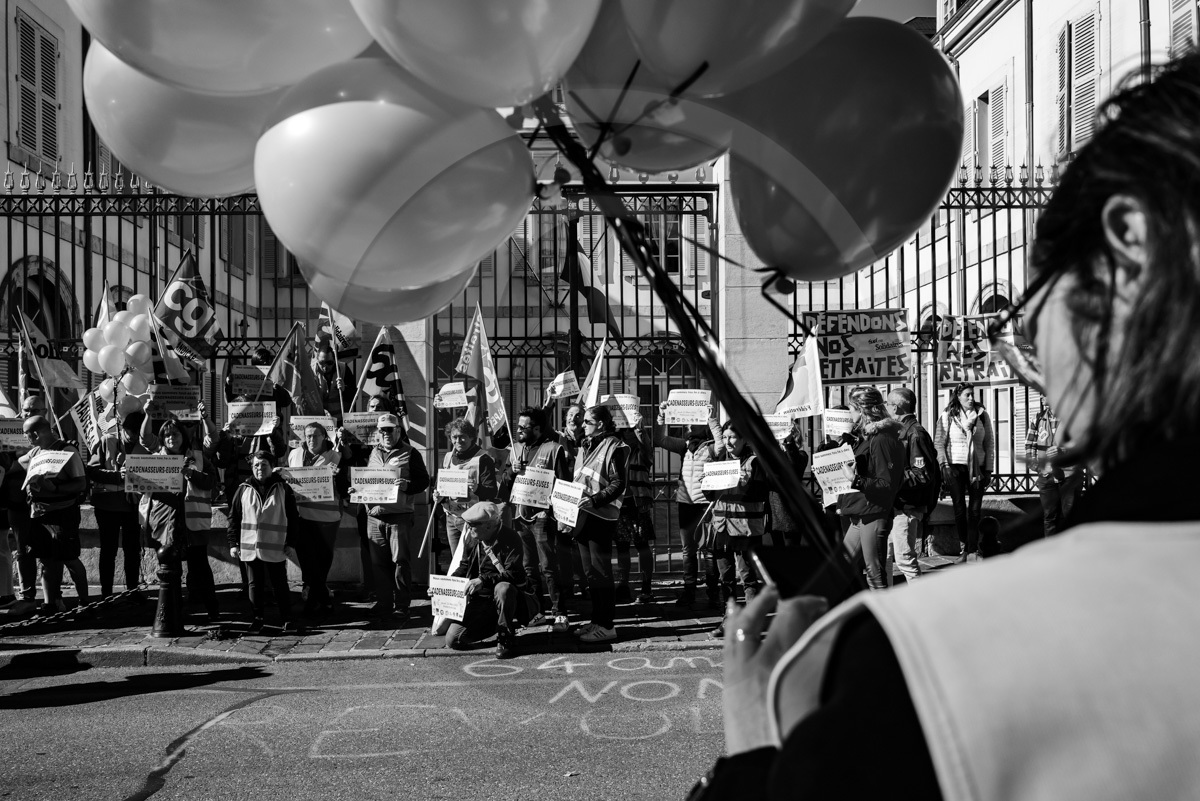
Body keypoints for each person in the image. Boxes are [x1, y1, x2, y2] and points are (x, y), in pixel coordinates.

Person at [696, 56, 1200, 801]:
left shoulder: (937, 661)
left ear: (1128, 240)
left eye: (1036, 301)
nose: (1031, 351)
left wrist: (760, 740)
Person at [499, 407, 572, 632]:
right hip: (521, 516)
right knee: (528, 567)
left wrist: (559, 514)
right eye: (518, 426)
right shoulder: (515, 450)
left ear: (538, 429)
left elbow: (564, 484)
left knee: (549, 566)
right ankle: (536, 610)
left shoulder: (553, 449)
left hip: (543, 515)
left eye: (524, 427)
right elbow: (504, 485)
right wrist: (512, 471)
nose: (518, 430)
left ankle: (559, 611)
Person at [144, 417, 220, 622]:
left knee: (200, 567)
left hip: (193, 521)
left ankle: (213, 611)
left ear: (183, 436)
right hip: (166, 521)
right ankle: (173, 612)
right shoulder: (155, 459)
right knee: (170, 569)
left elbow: (213, 482)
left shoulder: (198, 457)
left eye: (175, 434)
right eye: (166, 435)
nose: (171, 438)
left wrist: (191, 475)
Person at [357, 412, 429, 625]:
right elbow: (364, 480)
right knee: (378, 565)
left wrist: (408, 486)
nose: (386, 433)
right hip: (375, 517)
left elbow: (423, 480)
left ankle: (402, 606)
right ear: (378, 433)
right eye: (382, 430)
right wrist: (356, 489)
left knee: (400, 563)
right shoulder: (372, 453)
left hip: (399, 517)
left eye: (390, 429)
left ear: (399, 430)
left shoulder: (411, 453)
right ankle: (384, 603)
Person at [565, 404, 627, 643]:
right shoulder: (586, 445)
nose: (583, 425)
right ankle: (597, 620)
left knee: (601, 573)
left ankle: (608, 625)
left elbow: (618, 483)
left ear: (600, 424)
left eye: (587, 422)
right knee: (591, 574)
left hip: (601, 516)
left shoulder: (615, 446)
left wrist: (594, 500)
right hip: (583, 515)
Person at [653, 402, 724, 609]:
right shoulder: (684, 446)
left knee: (709, 550)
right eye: (689, 422)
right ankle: (689, 590)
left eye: (696, 421)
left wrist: (712, 419)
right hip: (685, 503)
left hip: (704, 505)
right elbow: (660, 439)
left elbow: (721, 447)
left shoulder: (711, 446)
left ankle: (713, 592)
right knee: (688, 550)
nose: (691, 425)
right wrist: (662, 416)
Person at [835, 386, 906, 590]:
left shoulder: (882, 438)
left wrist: (855, 479)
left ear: (862, 409)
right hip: (862, 513)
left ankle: (885, 620)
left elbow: (886, 484)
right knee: (843, 567)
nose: (850, 413)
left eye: (851, 408)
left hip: (874, 513)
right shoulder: (869, 436)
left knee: (874, 574)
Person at [442, 501, 531, 659]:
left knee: (503, 588)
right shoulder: (472, 538)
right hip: (480, 600)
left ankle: (505, 637)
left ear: (488, 526)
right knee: (453, 640)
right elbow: (464, 566)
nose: (468, 528)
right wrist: (443, 586)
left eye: (472, 525)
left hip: (503, 595)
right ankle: (496, 624)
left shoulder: (511, 538)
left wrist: (483, 580)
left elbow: (514, 574)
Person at [704, 421, 769, 633]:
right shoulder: (719, 461)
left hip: (745, 529)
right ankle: (728, 620)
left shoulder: (754, 462)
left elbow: (762, 494)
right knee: (726, 578)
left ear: (743, 439)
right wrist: (707, 484)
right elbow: (709, 495)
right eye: (725, 437)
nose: (728, 441)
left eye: (733, 437)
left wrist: (745, 483)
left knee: (748, 577)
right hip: (722, 527)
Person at [20, 415, 88, 613]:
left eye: (27, 435)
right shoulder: (35, 452)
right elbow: (19, 461)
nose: (26, 439)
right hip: (41, 514)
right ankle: (50, 604)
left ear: (36, 433)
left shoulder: (68, 450)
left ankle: (85, 603)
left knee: (69, 557)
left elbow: (80, 483)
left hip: (63, 512)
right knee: (46, 559)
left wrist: (55, 489)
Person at [227, 450, 300, 632]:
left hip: (276, 546)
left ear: (271, 467)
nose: (260, 468)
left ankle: (287, 619)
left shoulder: (283, 488)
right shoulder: (243, 488)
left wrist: (291, 543)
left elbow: (293, 518)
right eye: (256, 465)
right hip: (250, 547)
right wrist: (233, 543)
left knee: (280, 584)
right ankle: (258, 619)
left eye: (264, 464)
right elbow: (234, 518)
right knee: (254, 585)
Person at [86, 410, 148, 599]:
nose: (133, 437)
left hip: (132, 505)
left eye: (137, 433)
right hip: (107, 505)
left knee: (132, 549)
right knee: (108, 550)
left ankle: (132, 590)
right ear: (123, 429)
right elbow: (92, 471)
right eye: (130, 432)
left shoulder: (144, 445)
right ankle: (106, 593)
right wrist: (117, 476)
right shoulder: (107, 441)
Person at [287, 421, 345, 617]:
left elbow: (344, 486)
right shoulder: (294, 454)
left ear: (324, 437)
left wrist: (338, 477)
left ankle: (316, 599)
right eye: (309, 436)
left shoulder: (335, 456)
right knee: (306, 559)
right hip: (301, 516)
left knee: (323, 559)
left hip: (327, 517)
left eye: (316, 436)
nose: (312, 439)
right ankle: (321, 599)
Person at [934, 381, 995, 561]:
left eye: (972, 394)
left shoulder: (982, 415)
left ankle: (973, 549)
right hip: (955, 465)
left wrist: (989, 469)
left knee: (975, 510)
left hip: (978, 466)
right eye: (967, 394)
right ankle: (964, 548)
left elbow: (989, 443)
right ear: (958, 396)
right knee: (959, 508)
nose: (971, 398)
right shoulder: (948, 415)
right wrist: (944, 465)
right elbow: (939, 442)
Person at [885, 387, 940, 583]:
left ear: (896, 407)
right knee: (885, 557)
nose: (885, 408)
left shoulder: (915, 434)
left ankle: (922, 605)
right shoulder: (902, 430)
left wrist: (891, 479)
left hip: (907, 507)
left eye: (887, 404)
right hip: (897, 504)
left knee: (905, 559)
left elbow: (922, 474)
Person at [1, 394, 49, 614]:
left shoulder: (53, 437)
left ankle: (53, 598)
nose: (28, 414)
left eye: (34, 410)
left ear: (45, 413)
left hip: (46, 503)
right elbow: (8, 467)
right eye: (26, 410)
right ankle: (27, 596)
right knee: (22, 549)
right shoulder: (11, 435)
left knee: (52, 552)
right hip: (17, 502)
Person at [433, 417, 498, 561]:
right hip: (452, 517)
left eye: (462, 437)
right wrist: (438, 495)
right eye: (454, 437)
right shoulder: (448, 457)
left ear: (471, 437)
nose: (458, 441)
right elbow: (440, 485)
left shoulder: (483, 458)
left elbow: (492, 492)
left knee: (473, 560)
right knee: (457, 561)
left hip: (473, 521)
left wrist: (477, 488)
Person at [1026, 397, 1085, 538]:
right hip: (1046, 476)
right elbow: (1029, 445)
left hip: (1069, 475)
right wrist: (1036, 466)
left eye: (1044, 393)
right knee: (1049, 517)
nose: (1041, 397)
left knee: (1070, 516)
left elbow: (1083, 445)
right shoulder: (1038, 418)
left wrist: (1063, 451)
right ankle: (1051, 554)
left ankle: (1070, 554)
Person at [614, 421, 656, 604]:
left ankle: (646, 587)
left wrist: (640, 429)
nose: (628, 433)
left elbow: (646, 445)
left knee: (642, 546)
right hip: (621, 504)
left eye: (631, 430)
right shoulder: (616, 451)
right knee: (622, 547)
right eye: (625, 430)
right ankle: (623, 585)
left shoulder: (642, 452)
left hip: (638, 505)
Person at [765, 419, 811, 548]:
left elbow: (794, 466)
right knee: (777, 549)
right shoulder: (772, 453)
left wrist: (788, 443)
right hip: (773, 507)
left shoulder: (800, 454)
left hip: (789, 509)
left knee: (791, 549)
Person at [312, 344, 355, 420]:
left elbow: (354, 395)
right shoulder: (311, 371)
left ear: (335, 360)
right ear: (317, 360)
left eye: (329, 363)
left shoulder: (343, 369)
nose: (325, 367)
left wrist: (345, 389)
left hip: (339, 419)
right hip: (319, 419)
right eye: (322, 363)